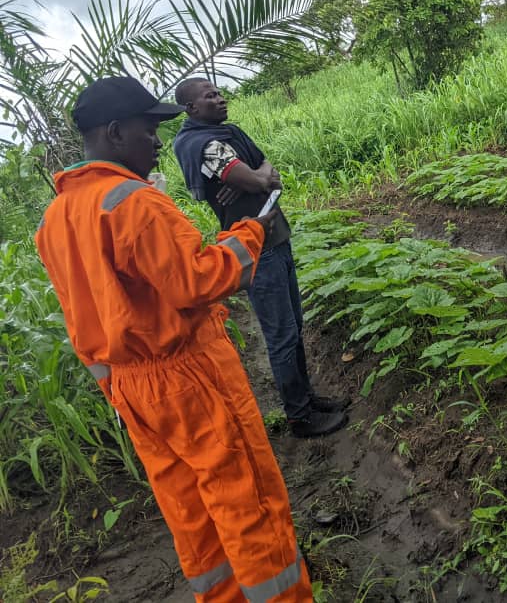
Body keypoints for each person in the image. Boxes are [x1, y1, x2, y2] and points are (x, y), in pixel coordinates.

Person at [35, 76, 313, 601]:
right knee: (244, 500)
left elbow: (84, 319)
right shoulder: (133, 203)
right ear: (115, 132)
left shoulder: (55, 218)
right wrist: (251, 231)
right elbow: (198, 281)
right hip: (188, 377)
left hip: (131, 391)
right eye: (148, 130)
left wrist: (119, 389)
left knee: (191, 510)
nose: (158, 142)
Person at [173, 77, 347, 438]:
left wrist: (257, 176)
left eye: (219, 92)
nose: (220, 99)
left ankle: (307, 398)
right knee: (281, 334)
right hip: (256, 249)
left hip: (274, 236)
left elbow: (270, 173)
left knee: (294, 326)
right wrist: (256, 178)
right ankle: (299, 416)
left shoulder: (228, 134)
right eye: (210, 96)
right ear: (191, 108)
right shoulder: (203, 144)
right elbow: (259, 181)